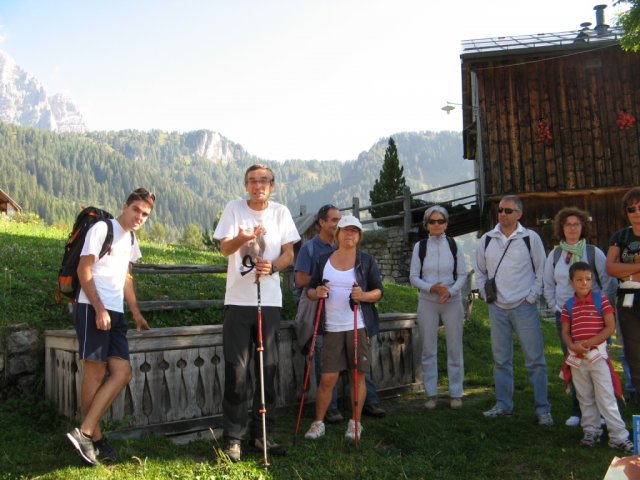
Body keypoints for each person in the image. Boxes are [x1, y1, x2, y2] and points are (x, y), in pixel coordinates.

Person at [213, 164, 300, 462]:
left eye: (263, 181)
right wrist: (241, 238)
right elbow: (225, 248)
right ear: (245, 184)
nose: (257, 185)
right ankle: (233, 438)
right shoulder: (234, 208)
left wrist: (273, 266)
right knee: (236, 371)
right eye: (252, 181)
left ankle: (263, 434)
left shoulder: (280, 212)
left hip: (270, 302)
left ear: (272, 185)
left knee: (268, 369)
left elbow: (290, 253)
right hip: (238, 301)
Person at [65, 188, 155, 466]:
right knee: (95, 372)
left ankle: (86, 433)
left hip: (115, 313)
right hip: (92, 307)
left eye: (145, 214)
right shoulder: (103, 228)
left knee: (123, 372)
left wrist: (136, 313)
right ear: (124, 205)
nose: (139, 216)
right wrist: (100, 308)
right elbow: (84, 270)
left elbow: (126, 278)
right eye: (136, 210)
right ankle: (95, 439)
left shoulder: (131, 239)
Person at [294, 205, 386, 424]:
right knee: (328, 377)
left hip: (358, 324)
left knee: (359, 375)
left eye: (354, 231)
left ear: (359, 236)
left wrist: (362, 296)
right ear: (338, 233)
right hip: (331, 326)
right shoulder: (322, 258)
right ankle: (319, 422)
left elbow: (379, 292)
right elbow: (308, 287)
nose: (349, 233)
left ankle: (355, 422)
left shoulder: (366, 261)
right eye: (345, 229)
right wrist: (316, 292)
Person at [475, 195, 553, 425]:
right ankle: (503, 405)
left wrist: (531, 297)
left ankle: (543, 409)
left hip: (524, 306)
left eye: (508, 211)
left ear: (519, 214)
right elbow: (480, 271)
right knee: (500, 360)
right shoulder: (487, 240)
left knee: (535, 361)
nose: (502, 214)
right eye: (500, 210)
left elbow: (542, 270)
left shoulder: (530, 238)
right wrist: (485, 293)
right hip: (497, 307)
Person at [543, 207, 616, 427]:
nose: (572, 228)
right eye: (568, 224)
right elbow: (548, 283)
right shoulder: (555, 254)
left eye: (576, 224)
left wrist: (599, 308)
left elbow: (608, 282)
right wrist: (555, 306)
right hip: (566, 316)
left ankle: (603, 413)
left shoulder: (594, 252)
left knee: (597, 364)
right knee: (574, 362)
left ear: (583, 227)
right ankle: (579, 410)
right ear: (561, 228)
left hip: (594, 318)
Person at [560, 261, 633, 453]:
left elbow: (610, 327)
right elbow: (565, 331)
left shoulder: (602, 301)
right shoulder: (568, 305)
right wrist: (571, 345)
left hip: (597, 357)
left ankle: (618, 436)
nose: (584, 283)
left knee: (606, 396)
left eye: (588, 279)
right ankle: (591, 431)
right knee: (584, 396)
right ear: (571, 282)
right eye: (579, 280)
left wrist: (590, 342)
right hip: (577, 359)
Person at [409, 205, 467, 410]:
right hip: (427, 301)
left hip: (452, 301)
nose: (436, 225)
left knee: (454, 348)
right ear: (426, 225)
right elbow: (413, 277)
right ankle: (430, 393)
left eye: (440, 221)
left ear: (446, 224)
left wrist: (449, 292)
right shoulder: (420, 247)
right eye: (432, 221)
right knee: (428, 349)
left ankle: (456, 393)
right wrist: (431, 288)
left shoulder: (454, 245)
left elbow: (462, 274)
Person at [606, 186, 640, 400]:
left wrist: (627, 270)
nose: (636, 212)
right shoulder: (621, 236)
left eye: (639, 207)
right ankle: (638, 393)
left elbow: (619, 268)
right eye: (631, 209)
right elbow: (610, 268)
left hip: (630, 284)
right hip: (628, 296)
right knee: (633, 349)